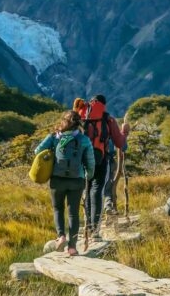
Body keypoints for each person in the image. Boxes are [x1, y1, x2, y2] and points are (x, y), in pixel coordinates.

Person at [35, 110, 95, 256]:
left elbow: (37, 151)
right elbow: (90, 162)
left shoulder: (54, 137)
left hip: (57, 179)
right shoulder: (84, 139)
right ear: (78, 123)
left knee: (58, 209)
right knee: (73, 213)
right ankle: (72, 247)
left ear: (63, 122)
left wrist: (51, 153)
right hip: (77, 180)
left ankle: (61, 237)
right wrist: (89, 176)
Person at [83, 94, 128, 239]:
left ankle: (87, 226)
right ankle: (94, 230)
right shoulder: (108, 119)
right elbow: (120, 143)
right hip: (101, 159)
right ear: (104, 105)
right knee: (97, 191)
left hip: (82, 161)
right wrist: (125, 131)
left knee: (87, 190)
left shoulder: (82, 116)